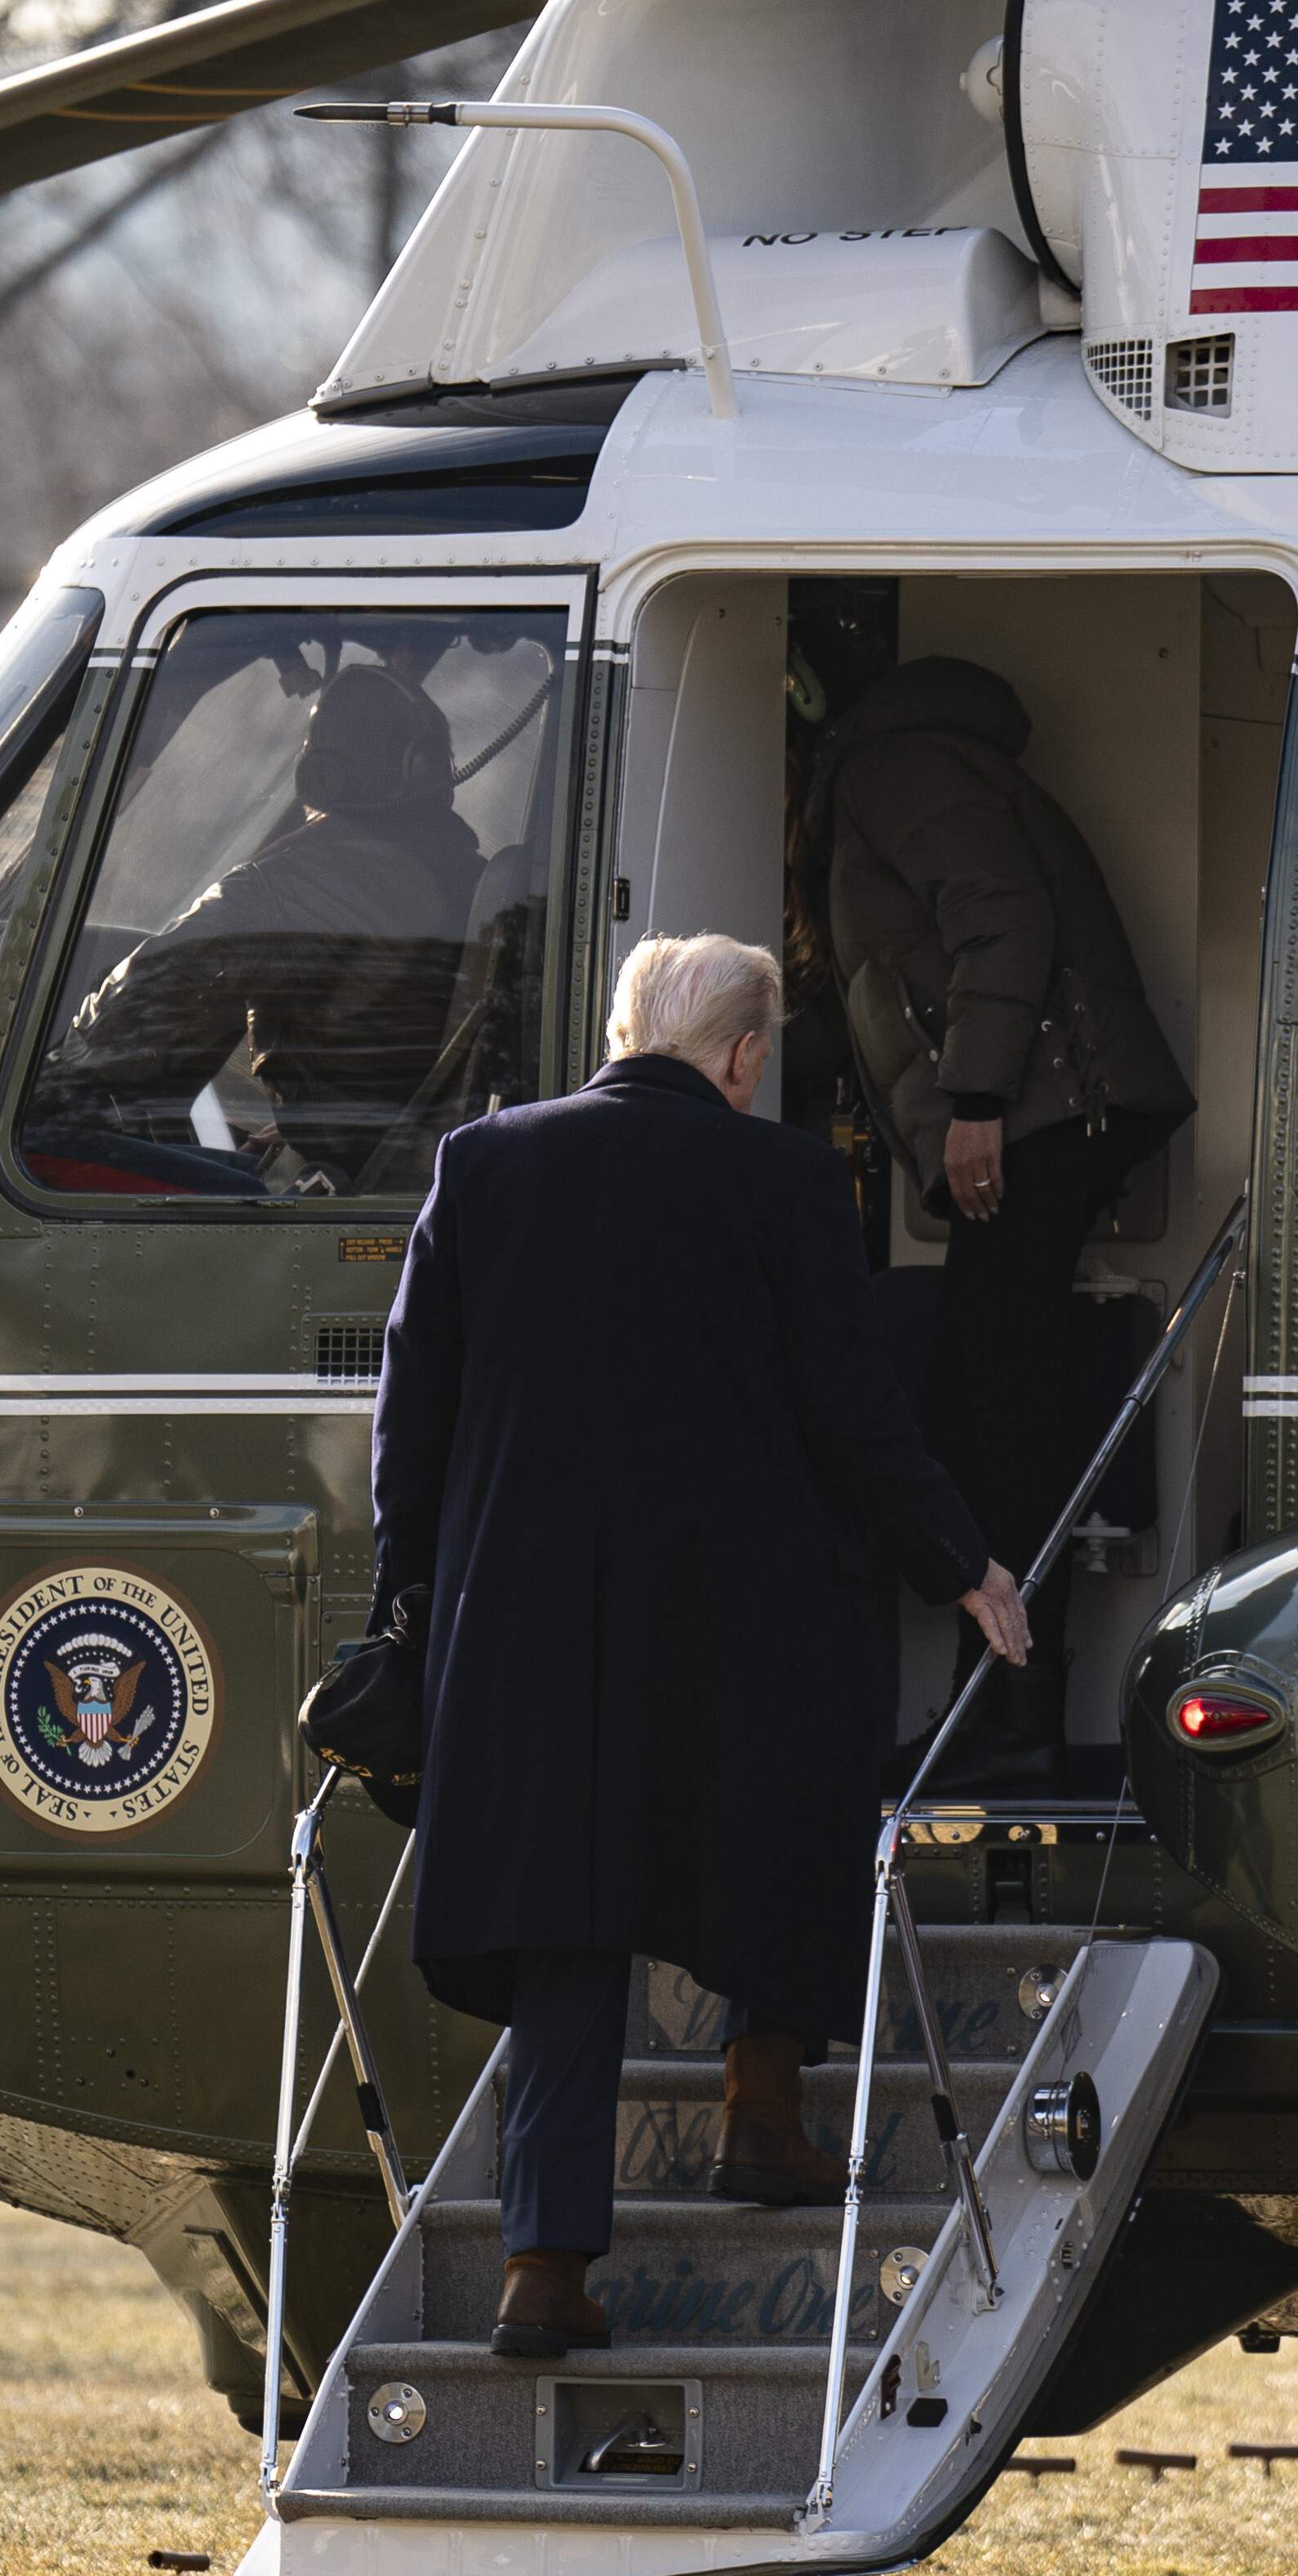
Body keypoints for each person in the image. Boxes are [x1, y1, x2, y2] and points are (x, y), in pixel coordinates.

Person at [369, 933, 1032, 2358]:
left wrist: (410, 1592)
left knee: (563, 1921)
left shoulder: (484, 1167)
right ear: (743, 1056)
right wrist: (962, 1563)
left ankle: (541, 2267)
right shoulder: (787, 1179)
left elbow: (409, 1414)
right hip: (739, 1605)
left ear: (622, 1030)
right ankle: (761, 2107)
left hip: (529, 1615)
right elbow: (853, 1412)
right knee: (783, 1822)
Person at [811, 657, 1196, 1779]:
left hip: (1041, 1113)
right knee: (975, 1405)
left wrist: (974, 1099)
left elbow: (1001, 919)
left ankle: (1015, 1718)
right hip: (1057, 1110)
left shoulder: (893, 768)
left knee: (995, 1417)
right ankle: (998, 1709)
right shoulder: (928, 762)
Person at [48, 661, 485, 1186]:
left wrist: (48, 1071)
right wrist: (326, 1127)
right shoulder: (473, 880)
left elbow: (124, 1023)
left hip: (346, 1194)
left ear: (321, 774)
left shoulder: (286, 886)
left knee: (32, 1144)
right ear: (430, 772)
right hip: (414, 1170)